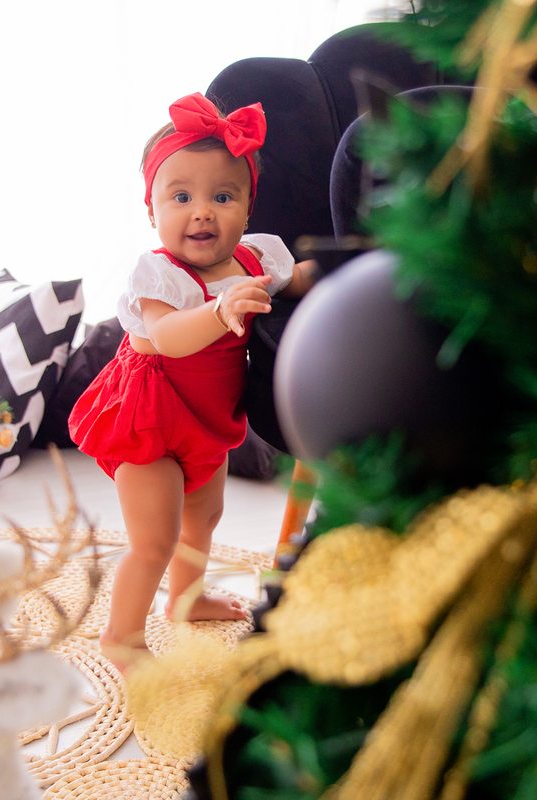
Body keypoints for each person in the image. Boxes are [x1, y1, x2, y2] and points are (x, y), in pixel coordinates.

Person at [69, 93, 316, 672]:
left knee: (203, 517)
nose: (202, 211)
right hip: (149, 417)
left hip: (209, 420)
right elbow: (169, 335)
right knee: (154, 539)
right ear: (152, 211)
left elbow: (294, 281)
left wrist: (328, 269)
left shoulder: (255, 262)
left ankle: (187, 600)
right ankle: (122, 637)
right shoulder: (159, 276)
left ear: (248, 210)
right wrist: (219, 311)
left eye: (222, 196)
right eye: (181, 197)